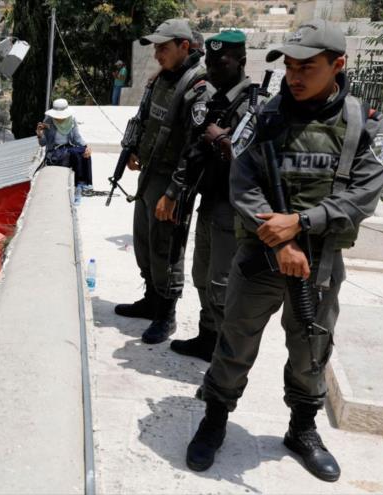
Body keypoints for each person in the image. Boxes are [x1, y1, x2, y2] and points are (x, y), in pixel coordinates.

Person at [188, 19, 383, 482]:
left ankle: (302, 429)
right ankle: (215, 418)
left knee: (311, 349)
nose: (294, 77)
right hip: (261, 255)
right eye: (290, 67)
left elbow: (363, 196)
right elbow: (243, 183)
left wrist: (299, 226)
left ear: (338, 64)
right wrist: (277, 239)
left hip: (318, 264)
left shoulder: (365, 123)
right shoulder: (264, 116)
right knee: (234, 340)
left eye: (308, 67)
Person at [168, 30, 263, 361]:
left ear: (241, 61)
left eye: (221, 62)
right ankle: (207, 337)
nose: (213, 68)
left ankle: (226, 354)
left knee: (223, 283)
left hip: (233, 207)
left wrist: (225, 142)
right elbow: (192, 146)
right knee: (202, 274)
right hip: (208, 200)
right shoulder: (210, 98)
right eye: (209, 61)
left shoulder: (256, 103)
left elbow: (260, 160)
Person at [113, 18, 206, 344]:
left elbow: (195, 147)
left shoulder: (197, 87)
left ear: (185, 46)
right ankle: (151, 299)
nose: (157, 54)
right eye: (155, 47)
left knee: (167, 248)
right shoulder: (162, 80)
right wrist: (135, 149)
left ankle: (166, 314)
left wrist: (174, 192)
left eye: (163, 48)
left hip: (171, 184)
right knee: (144, 242)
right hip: (150, 176)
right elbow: (148, 120)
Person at [36, 98, 93, 197]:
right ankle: (78, 185)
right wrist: (40, 134)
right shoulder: (48, 121)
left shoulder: (72, 120)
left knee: (84, 152)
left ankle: (85, 184)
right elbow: (43, 143)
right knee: (72, 154)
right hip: (55, 150)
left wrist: (87, 146)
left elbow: (76, 138)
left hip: (68, 147)